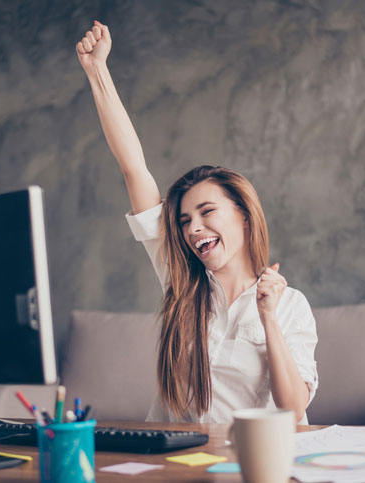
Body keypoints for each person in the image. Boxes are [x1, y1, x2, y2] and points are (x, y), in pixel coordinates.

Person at [76, 21, 318, 424]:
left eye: (207, 212)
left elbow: (293, 409)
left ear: (242, 213)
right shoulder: (180, 281)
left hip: (250, 460)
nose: (193, 229)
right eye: (186, 220)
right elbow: (133, 168)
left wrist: (268, 316)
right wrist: (96, 70)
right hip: (175, 458)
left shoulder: (291, 305)